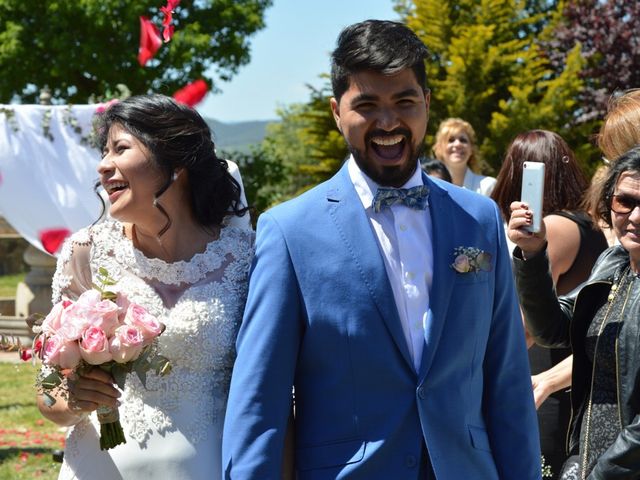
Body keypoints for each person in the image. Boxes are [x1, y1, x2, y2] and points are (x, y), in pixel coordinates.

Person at [222, 20, 541, 479]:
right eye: (367, 105)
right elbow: (260, 398)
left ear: (427, 105)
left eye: (404, 102)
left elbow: (506, 376)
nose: (388, 122)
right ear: (337, 112)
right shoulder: (289, 232)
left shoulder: (480, 218)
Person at [37, 94, 253, 479]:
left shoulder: (247, 259)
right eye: (104, 152)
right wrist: (73, 398)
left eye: (121, 149)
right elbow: (48, 394)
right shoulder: (85, 253)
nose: (104, 167)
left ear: (176, 162)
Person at [508, 146, 640, 479]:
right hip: (586, 461)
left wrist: (600, 473)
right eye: (626, 202)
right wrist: (533, 253)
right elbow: (553, 330)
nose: (635, 216)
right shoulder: (615, 266)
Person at [491, 130, 609, 476]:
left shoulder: (554, 227)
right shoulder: (588, 224)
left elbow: (524, 327)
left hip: (545, 382)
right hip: (568, 379)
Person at [432, 117, 496, 196]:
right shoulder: (430, 186)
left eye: (463, 140)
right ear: (439, 148)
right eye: (451, 140)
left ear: (471, 149)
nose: (457, 144)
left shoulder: (488, 186)